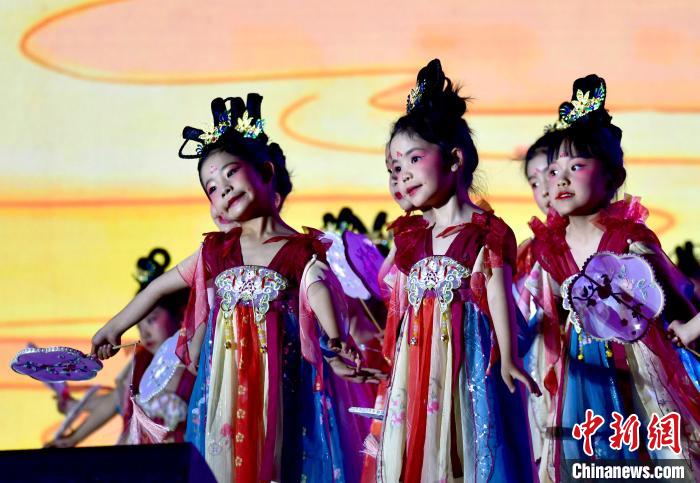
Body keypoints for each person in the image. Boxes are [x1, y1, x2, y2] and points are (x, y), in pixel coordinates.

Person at [91, 94, 379, 482]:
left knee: (283, 463)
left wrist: (335, 338)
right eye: (211, 187)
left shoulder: (298, 250)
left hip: (282, 387)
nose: (223, 188)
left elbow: (318, 288)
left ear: (265, 171)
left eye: (231, 173)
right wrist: (113, 327)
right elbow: (159, 286)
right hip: (227, 390)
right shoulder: (217, 251)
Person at [526, 74, 700, 480]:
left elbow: (675, 298)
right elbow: (546, 323)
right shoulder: (550, 250)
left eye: (577, 166)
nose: (561, 179)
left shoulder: (629, 242)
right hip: (582, 378)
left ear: (613, 178)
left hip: (641, 373)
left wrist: (687, 329)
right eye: (553, 170)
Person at [377, 59, 538, 482]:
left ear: (453, 159)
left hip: (470, 358)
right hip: (418, 364)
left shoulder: (486, 231)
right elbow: (398, 303)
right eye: (394, 168)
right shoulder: (411, 238)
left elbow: (499, 293)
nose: (401, 175)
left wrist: (508, 356)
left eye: (413, 159)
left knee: (470, 444)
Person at [48, 249, 190, 446]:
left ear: (180, 315)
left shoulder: (194, 361)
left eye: (152, 320)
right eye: (139, 325)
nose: (145, 332)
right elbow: (115, 401)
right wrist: (73, 432)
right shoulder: (140, 363)